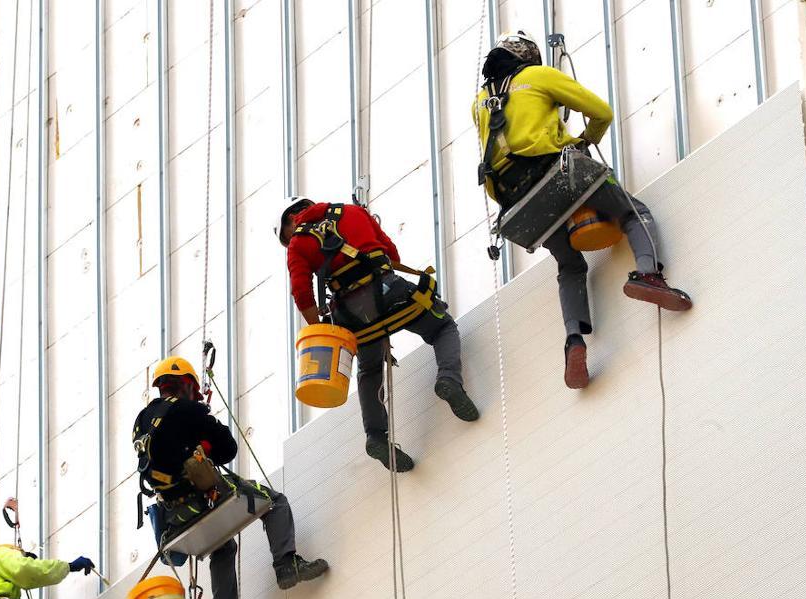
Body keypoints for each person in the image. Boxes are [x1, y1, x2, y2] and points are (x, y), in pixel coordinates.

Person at [473, 30, 693, 389]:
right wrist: (586, 140)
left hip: (515, 202)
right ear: (528, 56)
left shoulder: (480, 101)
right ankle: (649, 275)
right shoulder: (538, 76)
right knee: (633, 213)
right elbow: (601, 112)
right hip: (555, 173)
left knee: (569, 265)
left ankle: (574, 340)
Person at [132, 356, 329, 599]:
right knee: (274, 502)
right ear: (186, 385)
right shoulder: (188, 409)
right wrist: (206, 436)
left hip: (175, 514)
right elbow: (228, 448)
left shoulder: (141, 422)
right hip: (205, 495)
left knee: (223, 545)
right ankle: (287, 564)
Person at [277, 197, 479, 472]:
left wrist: (323, 331)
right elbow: (391, 254)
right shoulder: (353, 212)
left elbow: (302, 293)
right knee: (442, 327)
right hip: (390, 292)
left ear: (290, 220)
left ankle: (375, 436)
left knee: (369, 370)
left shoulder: (299, 244)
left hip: (352, 316)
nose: (289, 242)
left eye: (285, 237)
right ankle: (449, 380)